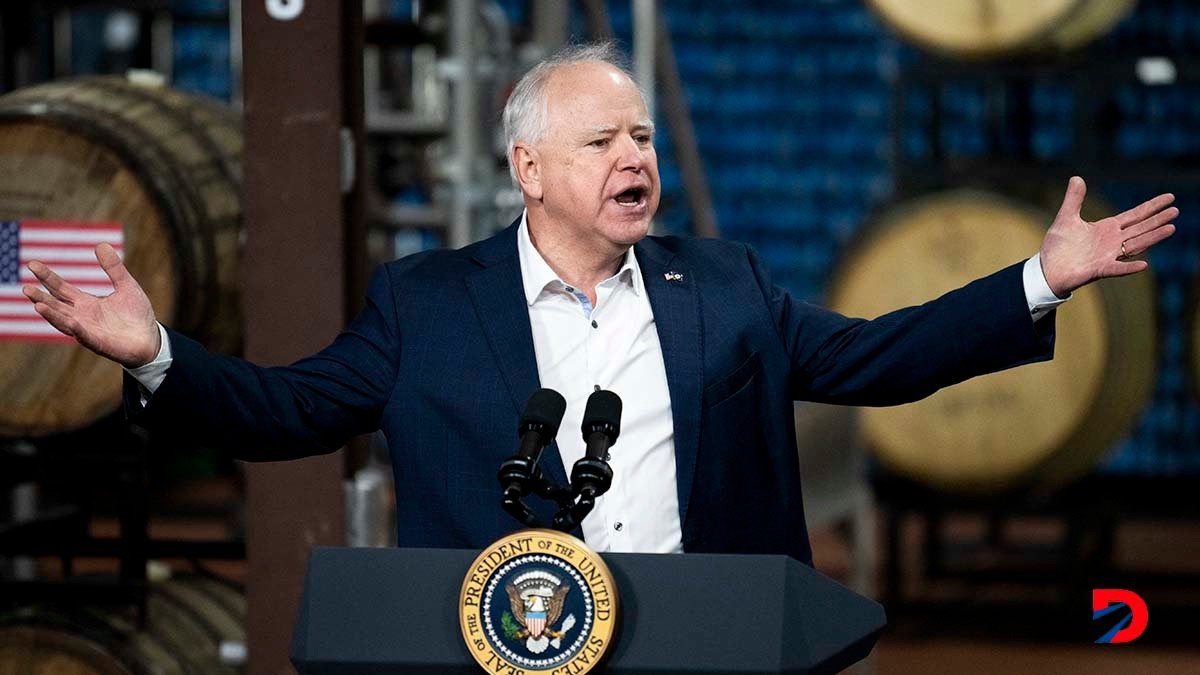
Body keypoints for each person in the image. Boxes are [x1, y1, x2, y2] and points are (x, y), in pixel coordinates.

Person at [22, 43, 1177, 564]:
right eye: (602, 140)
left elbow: (882, 357)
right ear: (528, 169)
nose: (637, 157)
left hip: (708, 646)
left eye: (642, 136)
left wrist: (1039, 280)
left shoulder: (723, 284)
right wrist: (158, 352)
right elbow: (285, 412)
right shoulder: (425, 302)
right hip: (508, 648)